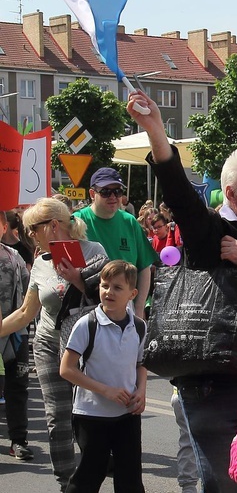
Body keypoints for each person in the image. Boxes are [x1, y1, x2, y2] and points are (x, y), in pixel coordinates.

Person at [127, 89, 237, 492]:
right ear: (231, 194)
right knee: (225, 483)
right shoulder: (210, 232)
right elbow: (178, 194)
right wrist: (156, 130)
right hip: (216, 382)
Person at [0, 198, 108, 492]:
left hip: (87, 348)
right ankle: (67, 484)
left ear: (53, 226)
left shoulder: (94, 252)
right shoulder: (40, 261)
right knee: (56, 418)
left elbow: (109, 300)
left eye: (32, 229)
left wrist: (76, 279)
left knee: (89, 417)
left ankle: (88, 479)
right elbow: (25, 313)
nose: (30, 236)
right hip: (48, 345)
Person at [59, 260, 147, 493]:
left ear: (132, 293)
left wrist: (141, 391)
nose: (109, 292)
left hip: (127, 415)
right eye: (104, 285)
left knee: (130, 479)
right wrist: (106, 390)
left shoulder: (138, 326)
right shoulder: (86, 324)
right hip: (92, 415)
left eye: (118, 287)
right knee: (89, 475)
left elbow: (141, 363)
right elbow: (66, 369)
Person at [74, 167, 158, 319]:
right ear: (93, 194)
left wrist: (139, 309)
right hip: (88, 307)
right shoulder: (77, 221)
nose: (113, 196)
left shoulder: (129, 221)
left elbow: (144, 267)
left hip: (125, 308)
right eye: (106, 192)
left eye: (118, 191)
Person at [0, 217, 33, 461]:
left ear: (3, 227)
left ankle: (18, 440)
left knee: (18, 387)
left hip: (14, 333)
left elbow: (27, 292)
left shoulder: (14, 257)